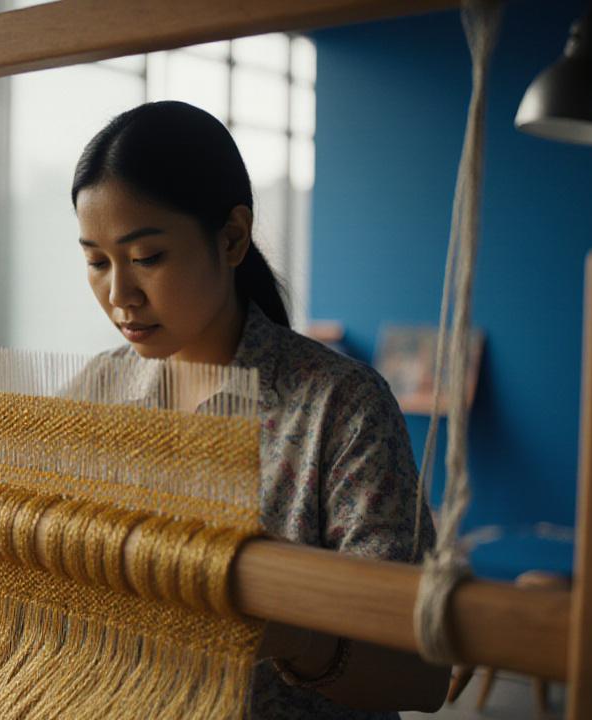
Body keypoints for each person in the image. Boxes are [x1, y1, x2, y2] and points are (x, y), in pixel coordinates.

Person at [71, 101, 450, 718]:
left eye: (146, 258)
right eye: (96, 261)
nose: (120, 295)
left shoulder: (339, 406)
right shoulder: (96, 394)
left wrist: (294, 633)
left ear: (231, 237)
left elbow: (419, 678)